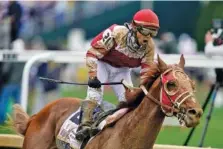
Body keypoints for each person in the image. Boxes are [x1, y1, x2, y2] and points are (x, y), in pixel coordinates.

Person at [75, 9, 160, 140]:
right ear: (134, 26)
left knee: (129, 101)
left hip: (123, 70)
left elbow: (146, 73)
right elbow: (92, 53)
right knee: (95, 94)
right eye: (146, 31)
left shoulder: (149, 47)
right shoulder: (116, 33)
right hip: (102, 63)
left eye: (153, 32)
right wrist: (93, 76)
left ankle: (123, 130)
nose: (148, 37)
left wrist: (143, 89)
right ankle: (84, 126)